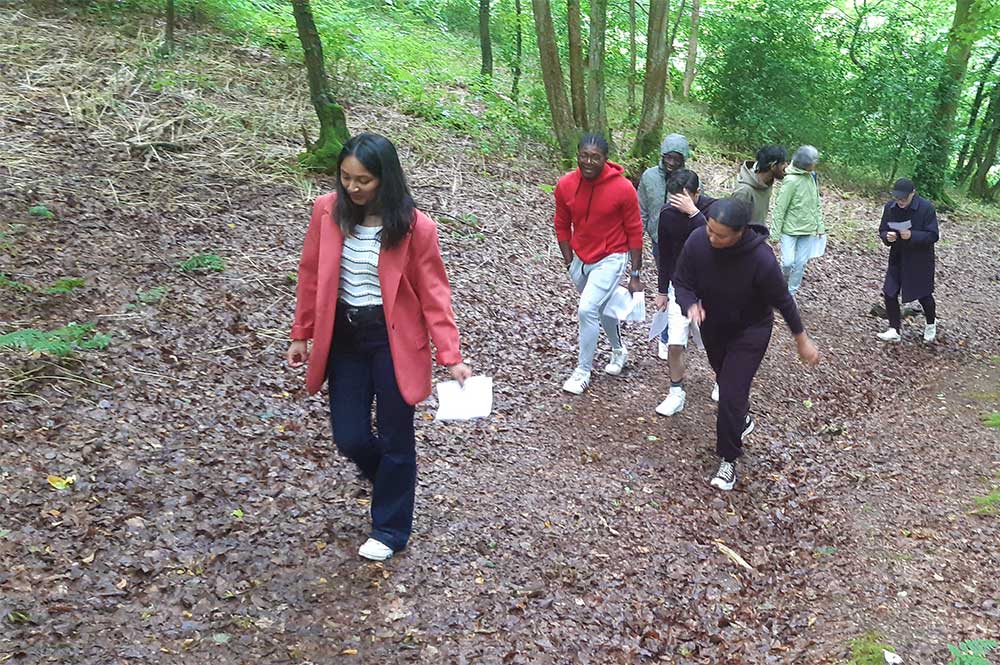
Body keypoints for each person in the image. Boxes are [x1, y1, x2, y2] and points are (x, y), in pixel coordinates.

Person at [287, 132, 471, 561]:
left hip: (394, 342)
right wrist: (302, 332)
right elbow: (311, 273)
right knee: (350, 436)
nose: (352, 188)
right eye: (346, 178)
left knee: (395, 438)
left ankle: (389, 530)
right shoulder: (327, 211)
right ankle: (391, 480)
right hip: (345, 340)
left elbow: (433, 293)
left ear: (385, 179)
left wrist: (451, 356)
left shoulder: (414, 227)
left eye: (363, 180)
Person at [673, 198, 820, 491]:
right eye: (710, 231)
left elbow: (783, 301)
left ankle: (728, 460)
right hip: (713, 327)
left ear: (739, 232)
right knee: (728, 385)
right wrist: (689, 304)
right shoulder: (697, 241)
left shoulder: (760, 259)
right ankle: (740, 416)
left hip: (750, 331)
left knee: (729, 392)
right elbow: (682, 282)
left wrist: (801, 339)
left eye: (721, 235)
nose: (713, 238)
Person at [554, 133, 644, 395]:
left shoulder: (623, 188)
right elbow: (561, 224)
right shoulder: (565, 185)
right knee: (600, 309)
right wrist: (570, 261)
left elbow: (635, 232)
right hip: (581, 259)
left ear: (606, 159)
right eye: (584, 155)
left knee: (586, 310)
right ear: (577, 155)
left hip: (612, 257)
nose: (588, 162)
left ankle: (583, 372)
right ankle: (619, 350)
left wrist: (635, 273)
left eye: (595, 157)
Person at [654, 169, 718, 416]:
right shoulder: (667, 215)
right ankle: (676, 392)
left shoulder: (713, 211)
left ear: (697, 194)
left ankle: (723, 379)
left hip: (711, 289)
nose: (678, 203)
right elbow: (665, 255)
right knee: (675, 343)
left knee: (714, 342)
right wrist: (662, 290)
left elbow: (716, 243)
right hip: (679, 288)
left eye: (684, 197)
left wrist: (694, 214)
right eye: (674, 198)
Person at [638, 133, 690, 360]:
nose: (671, 162)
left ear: (684, 159)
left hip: (685, 242)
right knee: (666, 287)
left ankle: (679, 332)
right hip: (660, 242)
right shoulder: (649, 177)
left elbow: (698, 206)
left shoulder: (689, 179)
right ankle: (665, 336)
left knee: (681, 286)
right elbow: (641, 208)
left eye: (677, 159)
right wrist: (644, 232)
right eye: (668, 157)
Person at [876, 178, 939, 343]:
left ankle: (931, 324)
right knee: (889, 292)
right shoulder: (890, 207)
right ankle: (894, 329)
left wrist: (912, 235)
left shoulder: (926, 208)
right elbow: (883, 229)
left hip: (920, 259)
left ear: (913, 193)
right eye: (898, 197)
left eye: (904, 197)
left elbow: (933, 235)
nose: (900, 201)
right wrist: (887, 237)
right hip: (897, 256)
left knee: (923, 295)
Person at [771, 145, 825, 296]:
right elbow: (780, 208)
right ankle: (779, 289)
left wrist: (820, 226)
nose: (815, 164)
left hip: (807, 230)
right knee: (787, 263)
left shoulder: (812, 177)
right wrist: (774, 233)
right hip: (790, 230)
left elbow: (816, 203)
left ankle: (791, 294)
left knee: (800, 264)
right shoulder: (790, 180)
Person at [732, 145, 788, 225]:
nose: (786, 166)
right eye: (783, 163)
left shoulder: (766, 184)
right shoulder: (744, 191)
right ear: (772, 166)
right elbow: (733, 225)